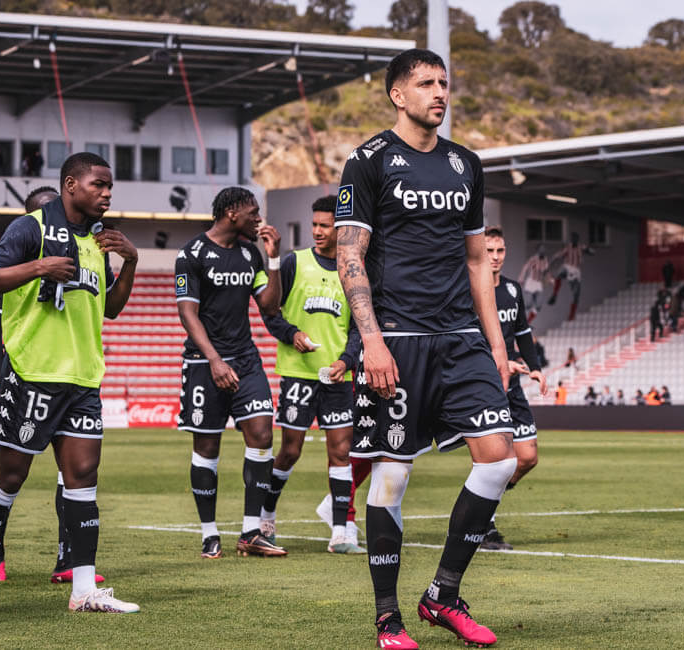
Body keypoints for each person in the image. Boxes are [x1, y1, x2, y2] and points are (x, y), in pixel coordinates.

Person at [335, 48, 518, 649]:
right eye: (426, 83)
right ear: (397, 94)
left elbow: (477, 261)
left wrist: (496, 344)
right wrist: (371, 340)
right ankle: (388, 617)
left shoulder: (466, 164)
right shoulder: (368, 160)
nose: (440, 92)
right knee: (391, 478)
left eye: (444, 82)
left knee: (500, 459)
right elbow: (350, 254)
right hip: (397, 339)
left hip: (461, 337)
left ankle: (442, 594)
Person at [0, 152, 139, 616]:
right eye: (98, 184)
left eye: (110, 186)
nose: (107, 193)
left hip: (82, 378)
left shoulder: (99, 240)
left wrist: (131, 261)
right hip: (33, 374)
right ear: (71, 184)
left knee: (83, 481)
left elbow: (111, 308)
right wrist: (39, 268)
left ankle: (83, 590)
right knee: (9, 478)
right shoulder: (29, 228)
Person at [0, 186, 105, 585]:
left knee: (73, 476)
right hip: (25, 378)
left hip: (75, 380)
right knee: (10, 475)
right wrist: (1, 381)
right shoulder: (22, 246)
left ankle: (69, 562)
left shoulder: (88, 244)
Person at [174, 187, 285, 559]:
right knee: (207, 447)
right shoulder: (191, 254)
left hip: (246, 359)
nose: (259, 219)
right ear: (232, 212)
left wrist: (273, 258)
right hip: (204, 363)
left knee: (262, 435)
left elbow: (269, 306)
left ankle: (251, 531)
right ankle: (209, 534)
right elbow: (188, 313)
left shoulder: (250, 253)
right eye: (253, 212)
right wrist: (214, 360)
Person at [258, 195, 363, 554]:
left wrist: (346, 361)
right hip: (297, 375)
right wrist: (292, 335)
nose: (317, 231)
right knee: (290, 451)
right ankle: (266, 518)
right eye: (314, 224)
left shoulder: (354, 271)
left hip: (337, 377)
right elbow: (270, 312)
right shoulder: (294, 262)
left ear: (341, 229)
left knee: (341, 452)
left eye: (325, 225)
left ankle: (340, 532)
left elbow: (360, 326)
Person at [479, 226, 548, 551]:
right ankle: (484, 525)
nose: (495, 257)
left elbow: (522, 332)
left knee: (528, 457)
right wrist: (500, 362)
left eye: (500, 251)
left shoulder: (512, 289)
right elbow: (468, 338)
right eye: (489, 251)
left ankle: (480, 505)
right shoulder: (469, 291)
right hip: (483, 385)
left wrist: (535, 368)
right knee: (497, 459)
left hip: (513, 386)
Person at [547, 232, 593, 321]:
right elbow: (558, 256)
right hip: (567, 266)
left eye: (575, 238)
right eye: (572, 239)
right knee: (560, 274)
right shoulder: (568, 247)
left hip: (576, 271)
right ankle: (554, 294)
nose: (574, 240)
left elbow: (590, 251)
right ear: (571, 240)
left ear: (577, 239)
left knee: (576, 294)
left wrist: (589, 250)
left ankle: (571, 315)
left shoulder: (581, 247)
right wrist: (550, 263)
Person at [518, 246, 549, 322]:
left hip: (538, 283)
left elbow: (545, 271)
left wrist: (549, 279)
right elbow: (525, 267)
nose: (542, 251)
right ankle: (520, 320)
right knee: (528, 304)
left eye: (544, 250)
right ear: (538, 251)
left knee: (538, 305)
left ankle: (528, 321)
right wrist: (521, 276)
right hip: (531, 282)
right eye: (541, 250)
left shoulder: (545, 260)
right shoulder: (533, 258)